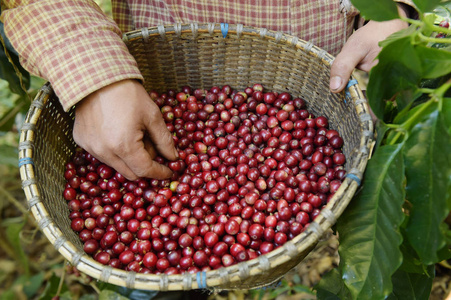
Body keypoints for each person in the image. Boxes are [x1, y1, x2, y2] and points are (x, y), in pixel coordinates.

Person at [1, 0, 414, 181]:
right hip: (155, 78)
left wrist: (401, 11)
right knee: (133, 163)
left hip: (332, 61)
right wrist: (95, 73)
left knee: (342, 183)